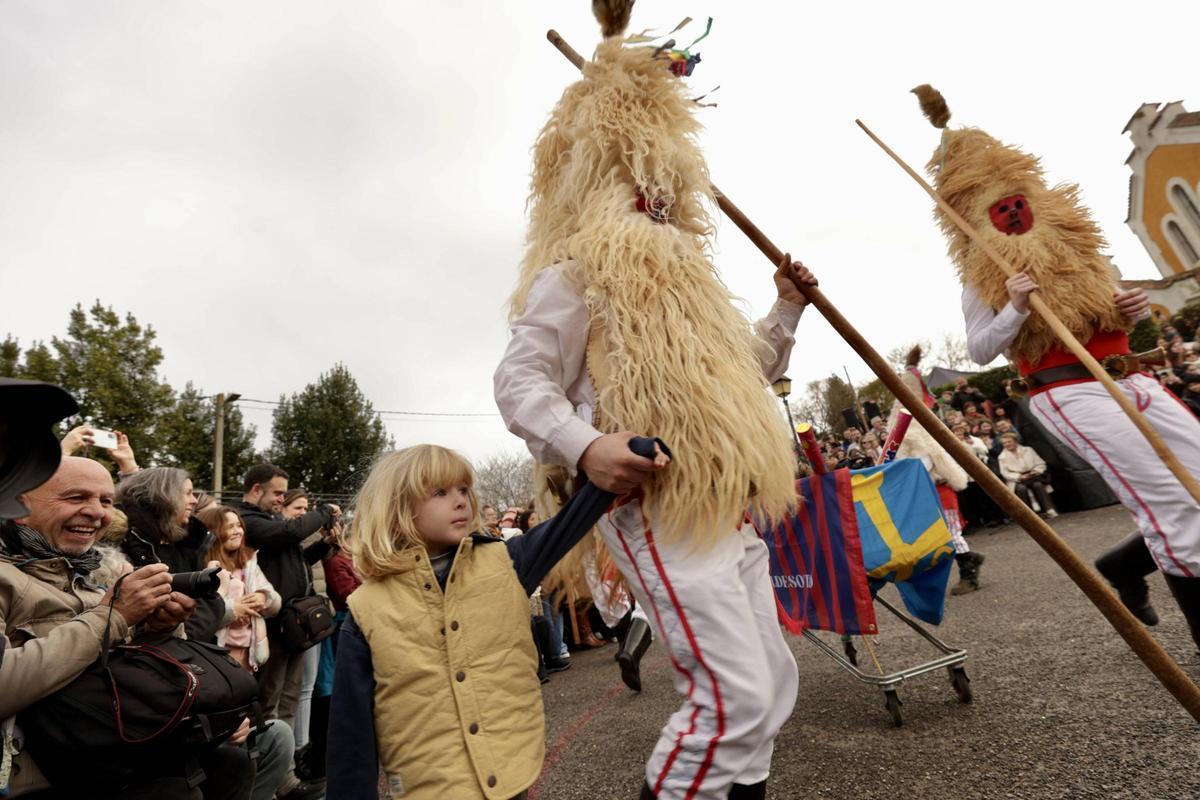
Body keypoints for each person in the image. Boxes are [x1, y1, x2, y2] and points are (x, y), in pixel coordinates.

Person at [495, 9, 808, 797]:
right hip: (660, 507)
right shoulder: (574, 276)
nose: (658, 196)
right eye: (642, 182)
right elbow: (519, 384)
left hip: (726, 508)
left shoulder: (695, 288)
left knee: (768, 691)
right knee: (730, 700)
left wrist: (786, 310)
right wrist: (584, 444)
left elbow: (745, 377)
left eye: (666, 182)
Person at [912, 85, 1200, 648]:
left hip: (1131, 374)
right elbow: (979, 351)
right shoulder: (981, 274)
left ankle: (1122, 565)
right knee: (1170, 503)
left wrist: (1128, 307)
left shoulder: (1074, 244)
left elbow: (1110, 304)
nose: (1015, 211)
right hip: (1068, 389)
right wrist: (1015, 309)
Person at [327, 439, 667, 800]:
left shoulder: (508, 561)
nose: (461, 500)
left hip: (511, 773)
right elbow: (351, 735)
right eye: (440, 492)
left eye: (464, 489)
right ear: (398, 509)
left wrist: (627, 455)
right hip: (430, 787)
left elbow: (572, 520)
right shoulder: (365, 608)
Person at [1, 456, 253, 800]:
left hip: (114, 753)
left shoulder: (99, 573)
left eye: (106, 501)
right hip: (41, 776)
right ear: (18, 503)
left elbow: (123, 671)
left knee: (242, 758)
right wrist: (114, 616)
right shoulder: (6, 578)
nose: (97, 513)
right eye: (76, 498)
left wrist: (159, 629)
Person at [199, 505, 297, 800]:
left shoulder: (250, 562)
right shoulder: (205, 566)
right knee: (223, 723)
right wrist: (232, 611)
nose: (237, 531)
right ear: (215, 531)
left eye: (239, 526)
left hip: (249, 655)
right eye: (229, 526)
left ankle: (251, 779)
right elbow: (199, 617)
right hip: (217, 656)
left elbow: (276, 602)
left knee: (245, 719)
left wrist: (263, 598)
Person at [234, 465, 338, 728]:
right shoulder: (246, 519)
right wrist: (323, 512)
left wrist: (323, 545)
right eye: (278, 493)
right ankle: (270, 764)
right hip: (272, 626)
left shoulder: (271, 521)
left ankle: (288, 764)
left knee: (290, 698)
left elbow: (297, 559)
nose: (282, 498)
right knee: (270, 700)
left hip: (294, 623)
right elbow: (290, 534)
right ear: (256, 489)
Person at [887, 346, 986, 594]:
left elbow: (924, 463)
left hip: (940, 489)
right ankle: (969, 559)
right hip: (926, 492)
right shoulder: (910, 433)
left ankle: (969, 571)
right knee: (940, 535)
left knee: (951, 533)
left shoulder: (919, 436)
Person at [114, 467, 228, 642]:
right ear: (164, 496)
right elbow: (185, 633)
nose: (194, 501)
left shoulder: (188, 543)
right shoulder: (129, 546)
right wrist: (217, 594)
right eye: (188, 493)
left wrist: (206, 582)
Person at [997, 434, 1058, 518]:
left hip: (1033, 476)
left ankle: (1050, 510)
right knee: (1021, 489)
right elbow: (1005, 473)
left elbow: (1040, 463)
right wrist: (1019, 476)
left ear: (1015, 441)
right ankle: (1026, 515)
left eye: (1009, 441)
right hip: (1017, 480)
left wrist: (1035, 472)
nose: (1007, 444)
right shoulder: (1002, 457)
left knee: (1038, 485)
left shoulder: (1028, 450)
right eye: (1004, 443)